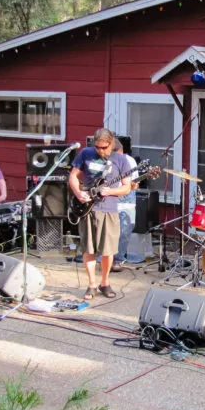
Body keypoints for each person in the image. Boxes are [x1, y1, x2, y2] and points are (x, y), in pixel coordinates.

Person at [69, 129, 131, 300]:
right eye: (97, 147)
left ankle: (105, 282)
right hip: (88, 209)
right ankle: (91, 285)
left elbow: (127, 186)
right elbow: (74, 176)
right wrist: (79, 193)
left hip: (109, 209)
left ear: (111, 143)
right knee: (88, 248)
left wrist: (110, 190)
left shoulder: (120, 159)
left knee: (107, 250)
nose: (100, 151)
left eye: (104, 147)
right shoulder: (86, 154)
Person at [113, 138, 141, 270]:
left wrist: (133, 185)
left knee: (124, 229)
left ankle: (118, 258)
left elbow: (135, 184)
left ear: (121, 150)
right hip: (109, 197)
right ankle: (106, 256)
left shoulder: (129, 161)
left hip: (126, 198)